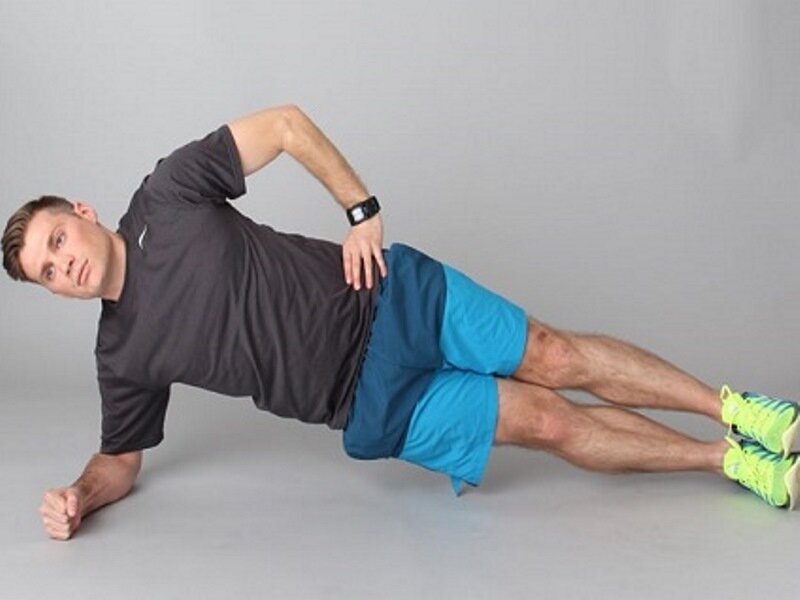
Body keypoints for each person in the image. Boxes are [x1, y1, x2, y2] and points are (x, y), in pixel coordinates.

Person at [3, 105, 799, 541]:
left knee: (554, 355)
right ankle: (729, 461)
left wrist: (360, 210)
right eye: (47, 271)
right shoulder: (122, 354)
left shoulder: (167, 195)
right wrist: (80, 496)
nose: (63, 265)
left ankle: (735, 408)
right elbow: (121, 460)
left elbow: (284, 126)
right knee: (549, 423)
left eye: (57, 241)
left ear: (82, 213)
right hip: (372, 404)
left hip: (388, 298)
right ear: (52, 291)